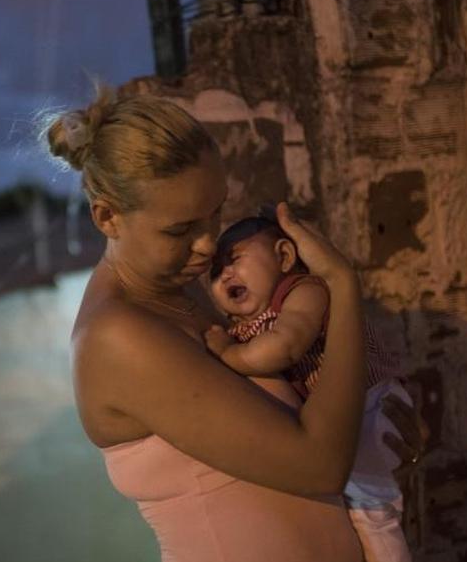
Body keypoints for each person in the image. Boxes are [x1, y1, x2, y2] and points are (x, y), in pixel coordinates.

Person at [43, 85, 427, 562]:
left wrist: (374, 442)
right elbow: (320, 464)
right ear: (107, 218)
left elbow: (312, 429)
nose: (207, 246)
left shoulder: (183, 294)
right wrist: (340, 285)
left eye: (216, 213)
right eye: (180, 229)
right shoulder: (117, 336)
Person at [205, 215, 413, 562]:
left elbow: (285, 345)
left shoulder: (303, 292)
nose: (225, 274)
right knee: (361, 512)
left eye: (235, 259)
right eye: (215, 272)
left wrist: (228, 353)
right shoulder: (244, 325)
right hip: (347, 422)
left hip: (370, 407)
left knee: (373, 514)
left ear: (285, 257)